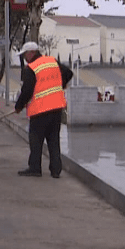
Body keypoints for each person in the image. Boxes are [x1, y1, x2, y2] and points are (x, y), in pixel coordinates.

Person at [14, 41, 73, 178]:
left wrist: (18, 106)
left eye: (24, 55)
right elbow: (69, 73)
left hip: (40, 110)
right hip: (56, 108)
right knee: (53, 140)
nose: (24, 58)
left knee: (36, 140)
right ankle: (56, 170)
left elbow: (27, 91)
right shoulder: (52, 61)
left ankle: (35, 168)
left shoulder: (31, 68)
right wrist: (60, 85)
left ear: (31, 53)